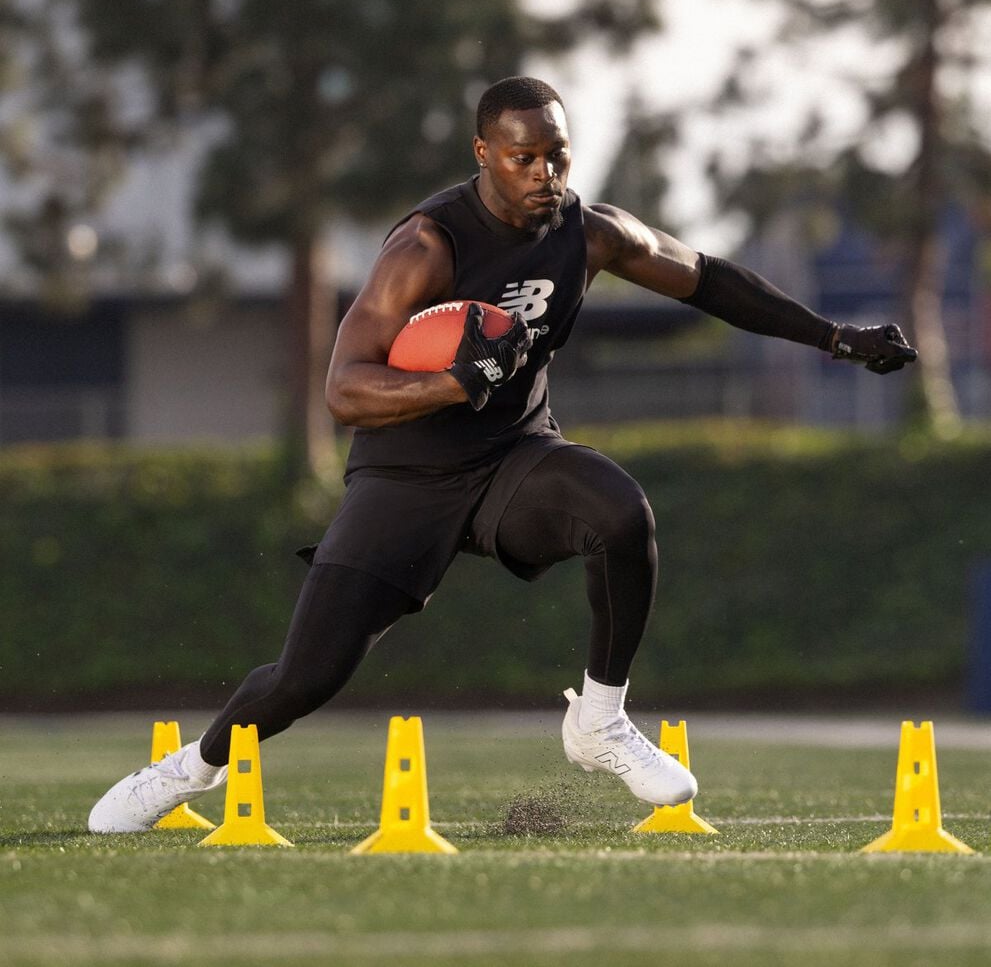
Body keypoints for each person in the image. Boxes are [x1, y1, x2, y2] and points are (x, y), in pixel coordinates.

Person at [89, 76, 917, 832]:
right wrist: (452, 382)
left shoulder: (588, 233)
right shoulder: (425, 245)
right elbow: (343, 389)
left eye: (556, 155)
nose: (543, 173)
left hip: (513, 459)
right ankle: (185, 769)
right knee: (306, 677)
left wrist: (834, 337)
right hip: (403, 478)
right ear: (483, 154)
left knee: (620, 513)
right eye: (523, 157)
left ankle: (598, 719)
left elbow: (706, 278)